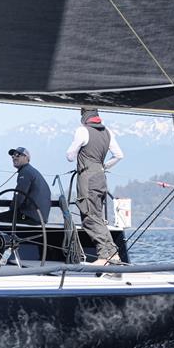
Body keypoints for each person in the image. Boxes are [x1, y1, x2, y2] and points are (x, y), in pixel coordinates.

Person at [66, 107, 124, 265]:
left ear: (84, 117)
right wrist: (104, 167)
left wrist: (78, 154)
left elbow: (70, 156)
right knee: (97, 217)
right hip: (101, 177)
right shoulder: (108, 132)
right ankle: (112, 255)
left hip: (87, 177)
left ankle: (107, 255)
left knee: (89, 218)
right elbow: (119, 155)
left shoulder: (82, 131)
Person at [0, 147, 51, 226]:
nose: (14, 157)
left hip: (29, 216)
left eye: (17, 155)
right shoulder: (31, 171)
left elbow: (19, 196)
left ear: (26, 157)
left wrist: (11, 211)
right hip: (39, 217)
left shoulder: (25, 172)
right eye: (12, 156)